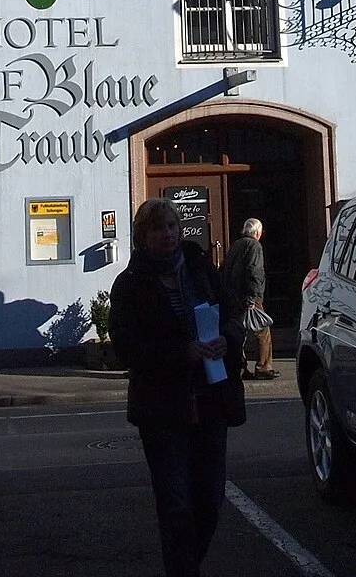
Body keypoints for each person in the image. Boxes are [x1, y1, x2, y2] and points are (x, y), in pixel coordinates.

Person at [110, 199, 246, 577]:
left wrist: (226, 340)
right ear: (143, 237)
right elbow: (126, 346)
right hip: (163, 410)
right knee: (175, 505)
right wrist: (180, 352)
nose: (167, 234)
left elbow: (234, 316)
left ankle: (186, 565)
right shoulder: (131, 283)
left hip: (211, 400)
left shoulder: (202, 269)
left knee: (210, 503)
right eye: (157, 229)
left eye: (171, 226)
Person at [221, 218, 275, 381]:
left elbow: (225, 269)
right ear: (257, 232)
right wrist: (253, 296)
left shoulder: (236, 245)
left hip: (233, 294)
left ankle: (239, 365)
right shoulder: (254, 246)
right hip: (249, 294)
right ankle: (263, 366)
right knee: (262, 330)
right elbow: (254, 271)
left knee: (239, 330)